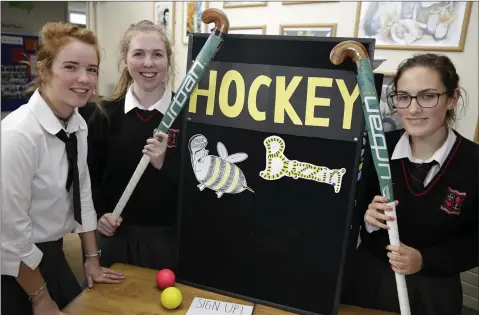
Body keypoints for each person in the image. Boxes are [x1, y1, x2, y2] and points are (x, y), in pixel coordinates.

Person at [1, 22, 124, 315]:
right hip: (13, 267)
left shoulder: (76, 122)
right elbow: (9, 236)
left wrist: (92, 258)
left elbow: (82, 192)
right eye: (71, 66)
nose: (84, 78)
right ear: (44, 70)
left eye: (92, 69)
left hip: (51, 253)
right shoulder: (17, 136)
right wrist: (40, 298)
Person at [350, 53, 478, 315]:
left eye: (428, 96)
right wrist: (366, 219)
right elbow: (347, 212)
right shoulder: (376, 147)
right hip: (368, 281)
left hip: (434, 290)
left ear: (452, 98)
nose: (413, 109)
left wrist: (423, 260)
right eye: (404, 96)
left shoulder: (473, 163)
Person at [87, 20, 181, 272]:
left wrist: (165, 164)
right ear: (125, 61)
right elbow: (89, 175)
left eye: (157, 54)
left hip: (170, 240)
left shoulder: (188, 115)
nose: (148, 63)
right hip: (115, 237)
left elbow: (198, 186)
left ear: (168, 61)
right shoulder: (105, 113)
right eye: (138, 54)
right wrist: (100, 214)